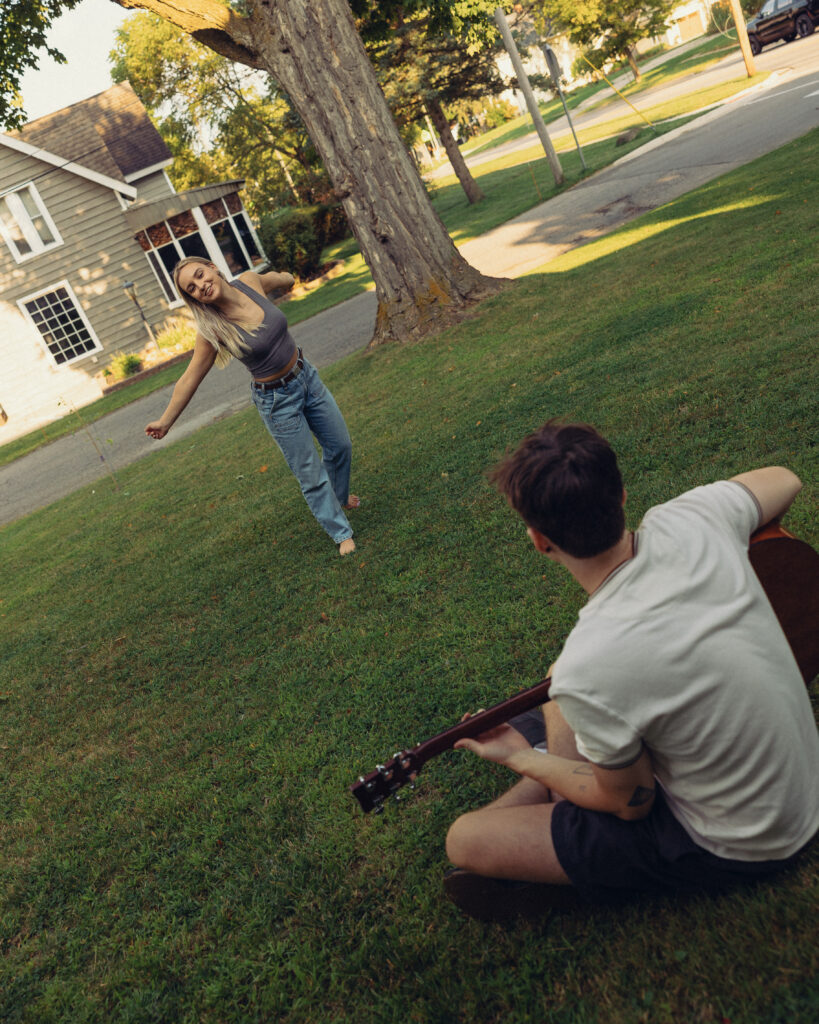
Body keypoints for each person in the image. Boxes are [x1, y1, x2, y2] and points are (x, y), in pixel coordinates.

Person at [444, 420, 819, 921]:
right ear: (621, 495)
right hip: (803, 793)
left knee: (465, 838)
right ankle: (555, 781)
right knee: (560, 690)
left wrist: (519, 759)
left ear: (538, 540)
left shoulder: (591, 661)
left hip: (745, 845)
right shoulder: (693, 518)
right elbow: (785, 480)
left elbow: (631, 804)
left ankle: (560, 819)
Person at [145, 257, 359, 555]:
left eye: (200, 275)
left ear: (212, 268)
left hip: (306, 375)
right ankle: (341, 533)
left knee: (340, 445)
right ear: (192, 298)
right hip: (276, 401)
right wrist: (165, 421)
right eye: (191, 288)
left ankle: (340, 497)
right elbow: (190, 377)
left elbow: (277, 278)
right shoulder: (213, 329)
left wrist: (288, 277)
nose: (201, 286)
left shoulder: (249, 282)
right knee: (309, 472)